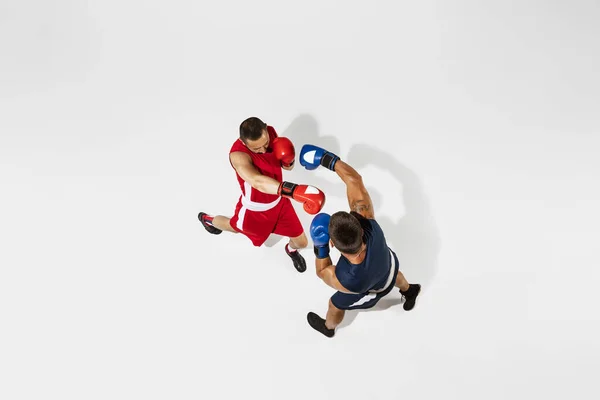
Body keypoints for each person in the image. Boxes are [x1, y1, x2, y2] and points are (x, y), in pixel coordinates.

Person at [299, 144, 421, 337]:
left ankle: (328, 328)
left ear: (333, 244)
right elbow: (354, 180)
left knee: (335, 304)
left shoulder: (348, 279)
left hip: (371, 287)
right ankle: (409, 290)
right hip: (387, 264)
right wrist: (326, 159)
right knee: (394, 274)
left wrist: (319, 245)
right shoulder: (370, 223)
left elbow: (322, 272)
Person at [198, 117, 326, 272]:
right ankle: (208, 220)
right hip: (255, 211)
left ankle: (291, 251)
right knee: (233, 226)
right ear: (244, 143)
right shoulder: (238, 155)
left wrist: (288, 161)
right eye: (257, 149)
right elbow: (257, 181)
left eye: (265, 144)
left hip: (280, 202)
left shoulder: (271, 132)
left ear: (266, 129)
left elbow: (286, 167)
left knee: (301, 243)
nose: (264, 150)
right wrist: (293, 190)